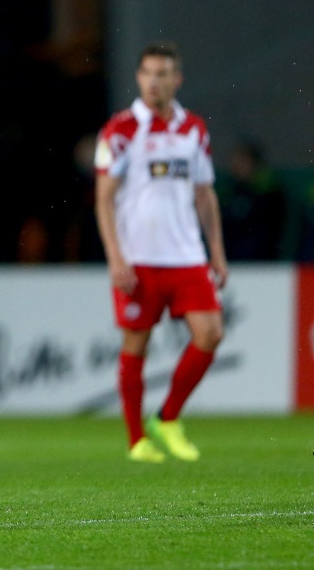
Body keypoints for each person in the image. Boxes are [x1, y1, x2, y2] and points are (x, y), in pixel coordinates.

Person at [94, 41, 228, 463]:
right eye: (148, 72)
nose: (155, 81)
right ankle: (137, 440)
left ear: (177, 79)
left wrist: (217, 252)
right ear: (139, 77)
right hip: (140, 259)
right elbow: (104, 198)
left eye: (163, 73)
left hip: (187, 255)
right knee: (137, 343)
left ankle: (167, 418)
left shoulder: (193, 129)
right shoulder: (120, 130)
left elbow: (205, 194)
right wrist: (116, 257)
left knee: (210, 334)